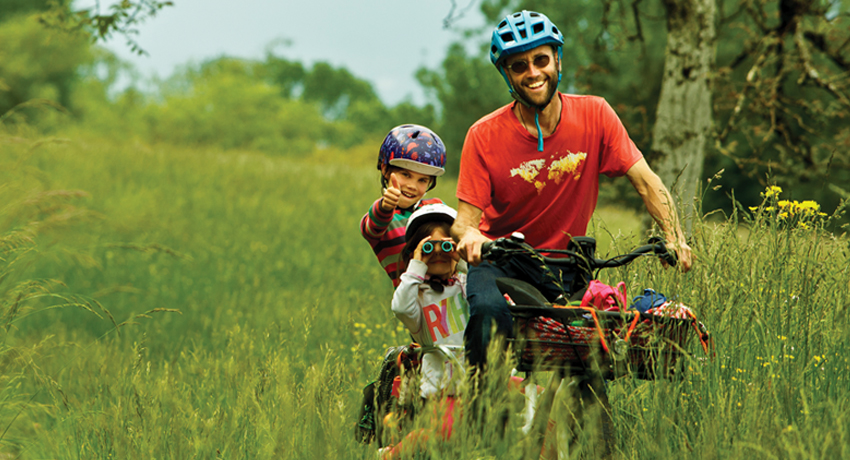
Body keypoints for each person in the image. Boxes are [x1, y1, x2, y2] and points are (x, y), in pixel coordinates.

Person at [451, 9, 694, 368]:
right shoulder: (483, 136)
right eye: (518, 66)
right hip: (501, 264)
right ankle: (481, 404)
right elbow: (464, 223)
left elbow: (646, 181)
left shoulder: (596, 115)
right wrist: (473, 238)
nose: (532, 72)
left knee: (598, 344)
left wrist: (674, 237)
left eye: (541, 59)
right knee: (488, 314)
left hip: (567, 264)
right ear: (507, 74)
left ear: (558, 60)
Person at [380, 203, 469, 459]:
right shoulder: (418, 297)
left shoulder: (467, 284)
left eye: (447, 246)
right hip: (444, 390)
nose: (439, 253)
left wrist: (461, 257)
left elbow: (486, 295)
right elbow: (400, 308)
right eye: (429, 247)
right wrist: (417, 265)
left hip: (482, 382)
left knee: (541, 405)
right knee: (444, 432)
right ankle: (392, 454)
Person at [360, 124, 448, 288]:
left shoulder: (437, 207)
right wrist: (386, 206)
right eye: (406, 175)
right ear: (386, 170)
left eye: (422, 180)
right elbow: (373, 226)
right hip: (413, 301)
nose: (412, 186)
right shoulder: (384, 217)